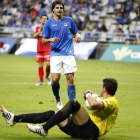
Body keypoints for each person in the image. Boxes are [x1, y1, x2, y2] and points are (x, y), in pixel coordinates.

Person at [1, 78, 119, 140]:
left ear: (104, 88)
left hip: (92, 131)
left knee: (73, 103)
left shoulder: (113, 102)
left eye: (101, 87)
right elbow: (91, 105)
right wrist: (90, 96)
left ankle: (44, 129)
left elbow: (93, 105)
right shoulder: (103, 100)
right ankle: (13, 118)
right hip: (80, 128)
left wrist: (88, 94)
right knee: (52, 114)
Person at [41, 0, 81, 109]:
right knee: (55, 79)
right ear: (53, 9)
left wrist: (77, 36)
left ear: (63, 9)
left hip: (68, 53)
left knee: (70, 78)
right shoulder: (48, 23)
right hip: (55, 54)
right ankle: (57, 98)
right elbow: (43, 40)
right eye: (57, 8)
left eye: (61, 8)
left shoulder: (69, 20)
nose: (59, 9)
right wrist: (51, 39)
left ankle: (72, 104)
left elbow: (76, 32)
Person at [33, 14, 51, 86]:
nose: (44, 19)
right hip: (39, 49)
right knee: (40, 65)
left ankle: (47, 76)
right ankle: (41, 81)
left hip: (47, 48)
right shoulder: (37, 28)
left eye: (45, 18)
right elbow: (34, 36)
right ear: (40, 20)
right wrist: (40, 30)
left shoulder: (50, 28)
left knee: (49, 64)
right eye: (43, 18)